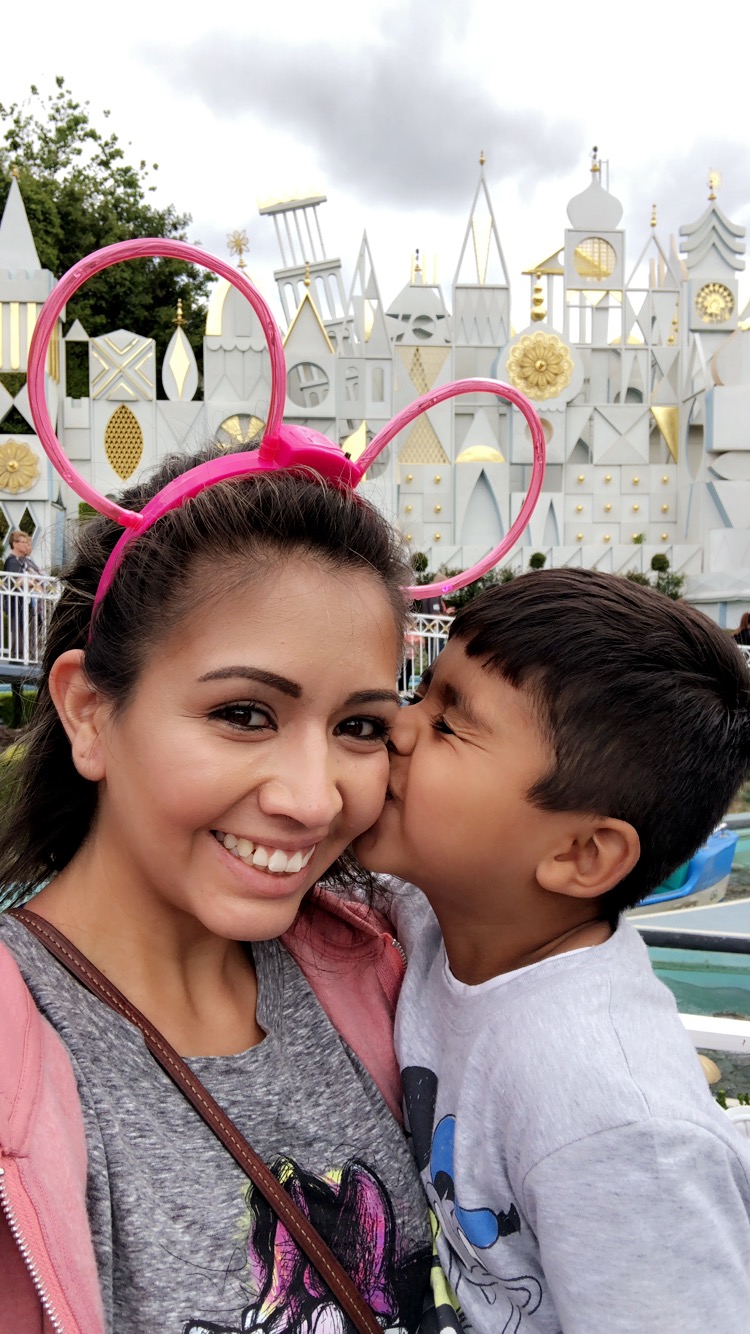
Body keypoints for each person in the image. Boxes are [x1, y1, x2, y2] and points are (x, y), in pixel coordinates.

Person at [0, 445, 433, 1333]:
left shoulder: (388, 971)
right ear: (89, 712)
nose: (313, 800)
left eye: (359, 726)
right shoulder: (20, 1054)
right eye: (243, 714)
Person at [356, 568, 750, 1333]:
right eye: (421, 693)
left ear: (580, 854)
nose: (398, 727)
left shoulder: (614, 1119)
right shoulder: (436, 917)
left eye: (448, 725)